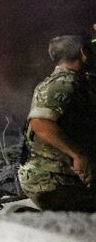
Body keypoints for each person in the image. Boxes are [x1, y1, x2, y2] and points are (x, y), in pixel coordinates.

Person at [18, 34, 96, 211]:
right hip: (54, 182)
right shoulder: (62, 84)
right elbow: (40, 122)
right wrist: (77, 155)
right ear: (83, 53)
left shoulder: (75, 82)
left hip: (61, 178)